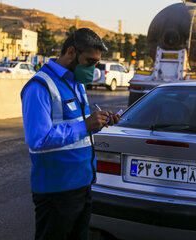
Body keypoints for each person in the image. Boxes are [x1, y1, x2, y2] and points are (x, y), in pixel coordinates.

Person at [20, 28, 119, 240]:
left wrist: (99, 122)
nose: (92, 69)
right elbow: (38, 139)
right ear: (71, 52)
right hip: (56, 191)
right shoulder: (40, 86)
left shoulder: (75, 83)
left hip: (82, 185)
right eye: (89, 61)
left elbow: (76, 127)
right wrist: (86, 125)